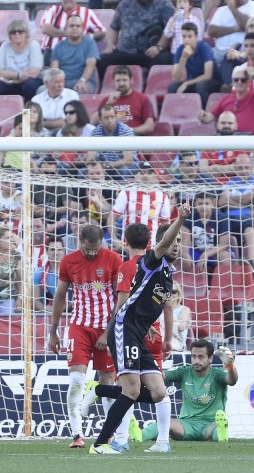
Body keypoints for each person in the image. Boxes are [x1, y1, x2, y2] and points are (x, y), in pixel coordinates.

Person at [90, 205, 192, 454]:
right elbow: (165, 240)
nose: (176, 245)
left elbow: (150, 303)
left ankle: (101, 390)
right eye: (173, 241)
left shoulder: (168, 274)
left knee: (158, 392)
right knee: (132, 388)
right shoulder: (151, 262)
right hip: (125, 328)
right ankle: (101, 444)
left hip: (141, 331)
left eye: (180, 241)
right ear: (160, 244)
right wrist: (180, 220)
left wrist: (149, 328)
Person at [49, 224, 124, 448]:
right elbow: (60, 297)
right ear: (79, 241)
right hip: (79, 326)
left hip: (105, 328)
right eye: (87, 248)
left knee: (108, 382)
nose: (92, 253)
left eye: (95, 248)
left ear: (102, 242)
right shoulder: (68, 261)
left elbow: (121, 298)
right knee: (76, 380)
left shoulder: (113, 259)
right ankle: (77, 435)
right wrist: (52, 332)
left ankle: (109, 434)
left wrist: (108, 331)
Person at [99, 0, 175, 78]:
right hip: (125, 52)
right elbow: (114, 27)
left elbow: (171, 29)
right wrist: (111, 45)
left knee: (164, 59)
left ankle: (152, 91)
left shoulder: (164, 5)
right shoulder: (124, 5)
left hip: (152, 53)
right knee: (102, 60)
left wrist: (159, 47)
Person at [40, 0, 107, 52]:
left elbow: (102, 31)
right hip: (51, 51)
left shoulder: (87, 12)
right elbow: (45, 28)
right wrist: (70, 34)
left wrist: (87, 37)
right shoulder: (52, 9)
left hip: (76, 53)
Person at [0, 18, 43, 101]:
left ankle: (27, 113)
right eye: (13, 32)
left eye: (20, 31)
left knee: (29, 86)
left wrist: (11, 78)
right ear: (9, 35)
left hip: (28, 81)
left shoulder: (33, 45)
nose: (17, 34)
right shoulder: (5, 46)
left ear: (26, 33)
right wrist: (18, 76)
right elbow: (0, 71)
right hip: (10, 82)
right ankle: (1, 112)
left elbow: (34, 72)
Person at [50, 15, 100, 95]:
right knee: (41, 90)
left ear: (83, 29)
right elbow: (54, 68)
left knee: (77, 91)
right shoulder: (58, 46)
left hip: (84, 81)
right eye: (71, 26)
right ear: (66, 29)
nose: (75, 28)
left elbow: (91, 65)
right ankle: (26, 108)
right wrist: (57, 84)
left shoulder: (90, 43)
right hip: (62, 82)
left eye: (78, 26)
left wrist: (82, 80)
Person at [169, 22, 218, 102]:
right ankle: (176, 112)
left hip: (213, 81)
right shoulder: (180, 49)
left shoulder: (204, 48)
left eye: (189, 36)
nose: (186, 40)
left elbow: (208, 75)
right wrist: (183, 58)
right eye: (184, 37)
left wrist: (187, 83)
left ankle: (204, 112)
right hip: (194, 82)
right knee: (173, 87)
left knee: (201, 86)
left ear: (196, 36)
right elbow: (176, 78)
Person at [86, 105, 137, 180]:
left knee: (122, 171)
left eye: (112, 117)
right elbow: (90, 158)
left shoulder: (125, 131)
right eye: (106, 118)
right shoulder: (95, 132)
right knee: (82, 172)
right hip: (104, 166)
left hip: (126, 166)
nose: (110, 120)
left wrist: (107, 165)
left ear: (116, 117)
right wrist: (97, 166)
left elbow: (128, 160)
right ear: (100, 120)